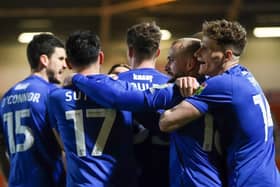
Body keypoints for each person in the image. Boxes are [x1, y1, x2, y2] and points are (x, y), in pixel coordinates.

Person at [69, 37, 226, 186]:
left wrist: (77, 78)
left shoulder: (180, 91)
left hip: (194, 180)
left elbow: (119, 96)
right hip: (215, 177)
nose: (166, 67)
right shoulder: (220, 89)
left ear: (190, 64)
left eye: (171, 60)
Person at [159, 19, 280, 186]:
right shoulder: (246, 76)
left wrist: (174, 87)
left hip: (246, 181)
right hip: (268, 178)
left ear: (227, 56)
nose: (197, 54)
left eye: (206, 48)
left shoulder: (222, 84)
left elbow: (167, 122)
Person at [47, 30, 138, 187]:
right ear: (101, 57)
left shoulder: (55, 98)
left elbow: (61, 143)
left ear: (68, 63)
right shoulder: (123, 89)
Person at [0, 33, 67, 187]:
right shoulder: (52, 94)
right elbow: (66, 145)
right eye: (61, 59)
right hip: (48, 182)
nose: (65, 65)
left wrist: (10, 179)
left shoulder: (6, 97)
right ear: (44, 60)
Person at [117, 21, 170, 187]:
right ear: (158, 52)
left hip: (123, 172)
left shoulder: (114, 84)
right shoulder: (170, 85)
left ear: (130, 51)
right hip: (162, 173)